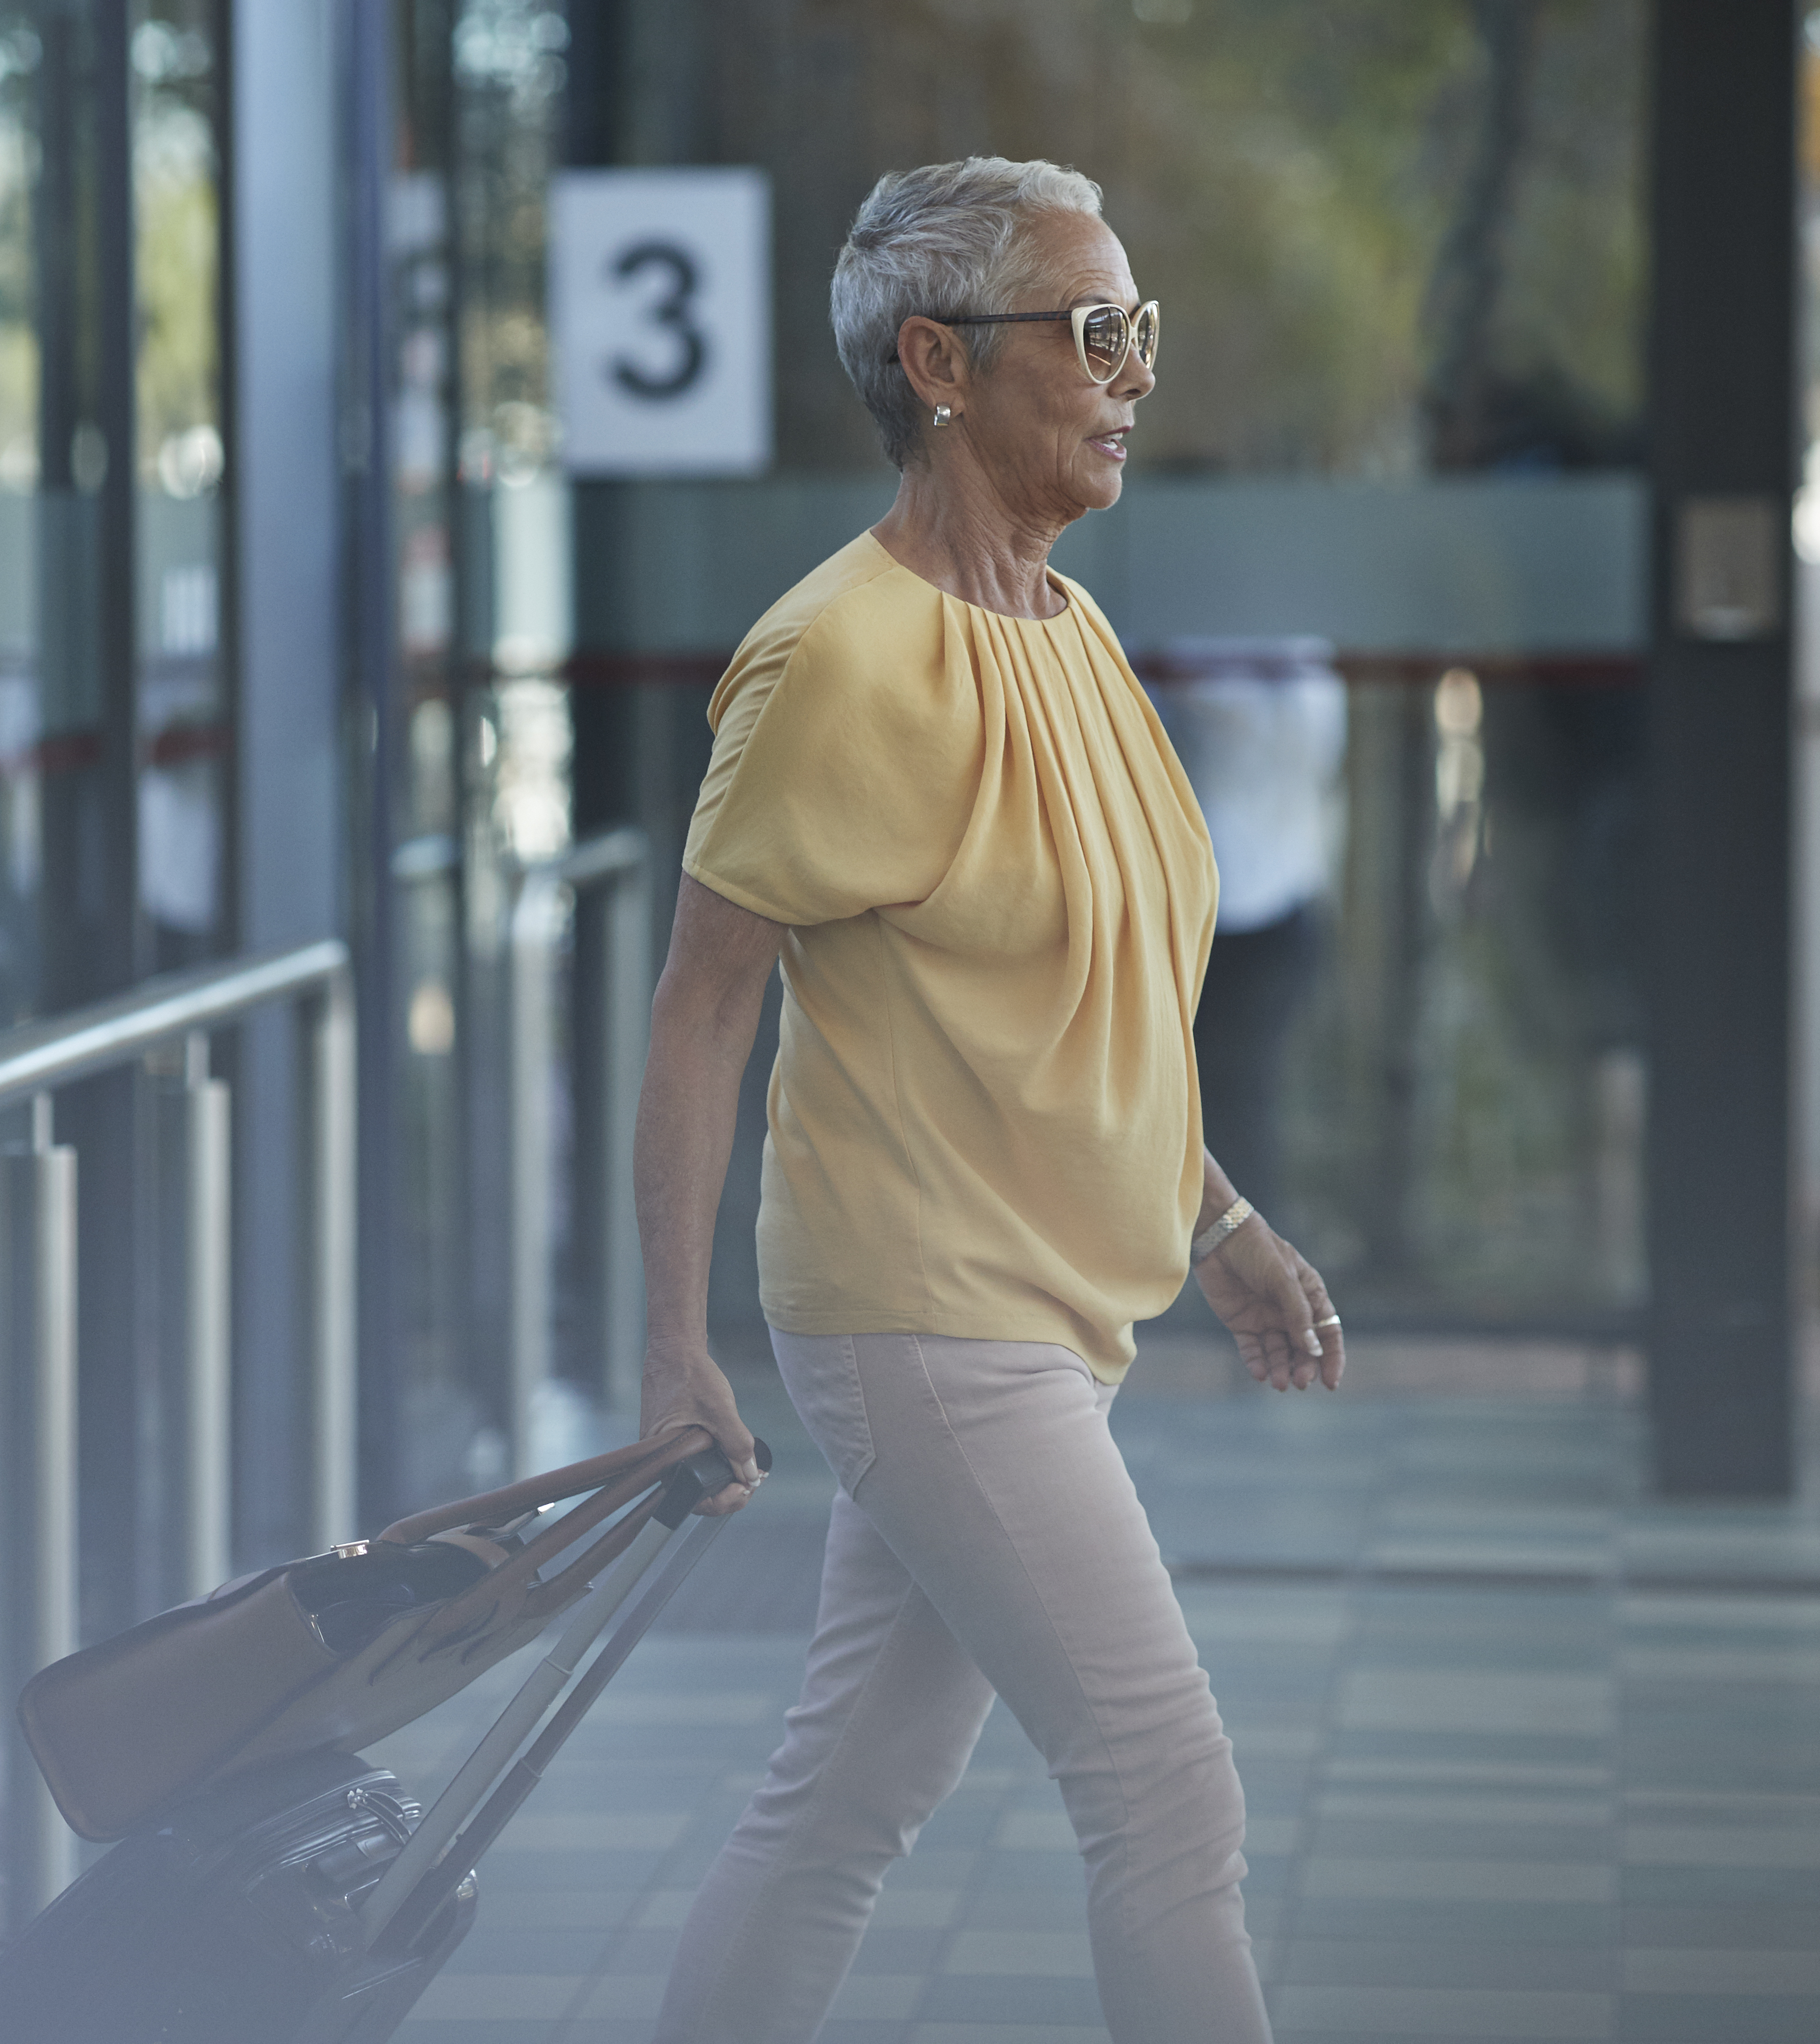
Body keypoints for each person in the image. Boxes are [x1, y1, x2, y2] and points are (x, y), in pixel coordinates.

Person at [633, 157, 1345, 2044]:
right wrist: (667, 1344)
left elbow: (1081, 1004)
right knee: (1169, 1790)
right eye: (1094, 332)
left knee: (844, 1795)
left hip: (1045, 1300)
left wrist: (1222, 1218)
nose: (1133, 373)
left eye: (1143, 332)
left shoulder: (1072, 630)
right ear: (939, 362)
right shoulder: (834, 660)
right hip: (927, 1309)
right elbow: (700, 1012)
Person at [1158, 636, 1347, 1228]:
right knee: (1189, 1105)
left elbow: (1241, 727)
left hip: (1261, 911)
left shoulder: (1298, 667)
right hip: (1199, 908)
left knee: (1238, 1103)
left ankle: (1242, 1273)